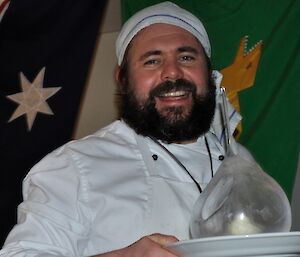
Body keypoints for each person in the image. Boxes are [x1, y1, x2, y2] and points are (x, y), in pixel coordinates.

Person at [0, 2, 254, 257]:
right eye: (152, 61)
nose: (173, 72)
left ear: (209, 74)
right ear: (123, 80)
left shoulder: (243, 162)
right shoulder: (73, 168)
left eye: (186, 57)